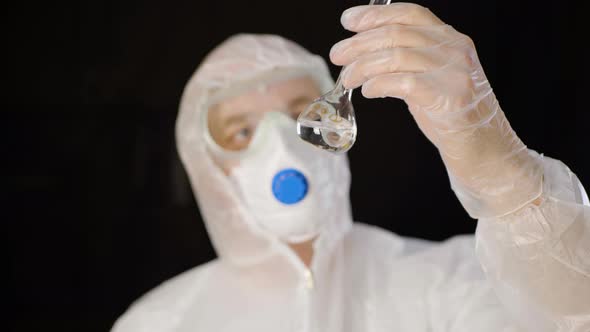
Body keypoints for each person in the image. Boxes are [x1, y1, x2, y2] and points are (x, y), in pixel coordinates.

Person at [112, 3, 590, 332]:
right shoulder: (162, 322)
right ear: (206, 165)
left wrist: (506, 178)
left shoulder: (450, 280)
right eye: (241, 132)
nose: (280, 144)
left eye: (303, 111)